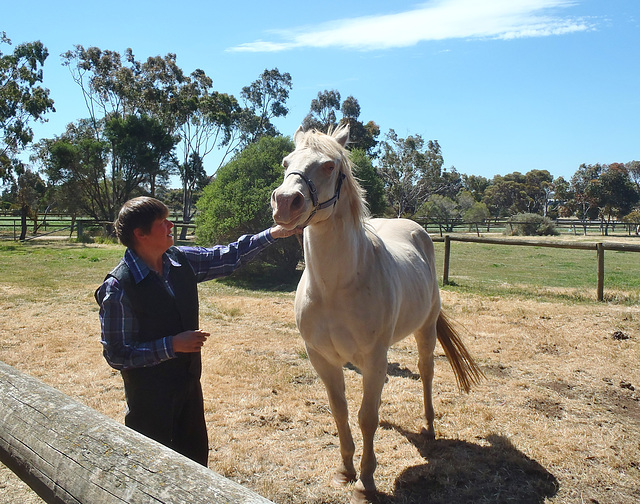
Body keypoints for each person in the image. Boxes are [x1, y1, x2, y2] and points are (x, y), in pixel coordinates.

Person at [95, 196, 299, 466]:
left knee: (193, 464)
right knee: (151, 469)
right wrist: (172, 345)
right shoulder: (118, 287)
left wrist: (274, 233)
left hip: (189, 389)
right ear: (140, 234)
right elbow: (117, 355)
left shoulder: (179, 260)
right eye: (162, 222)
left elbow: (228, 255)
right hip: (150, 403)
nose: (171, 225)